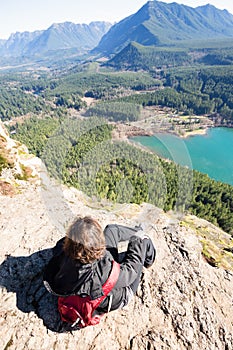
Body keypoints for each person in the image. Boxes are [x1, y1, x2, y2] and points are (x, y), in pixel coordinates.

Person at [43, 216, 156, 319]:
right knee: (142, 241)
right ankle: (148, 257)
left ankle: (138, 232)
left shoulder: (62, 250)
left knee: (112, 229)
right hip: (118, 295)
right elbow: (130, 273)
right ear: (97, 247)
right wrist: (137, 242)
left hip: (79, 285)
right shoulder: (103, 271)